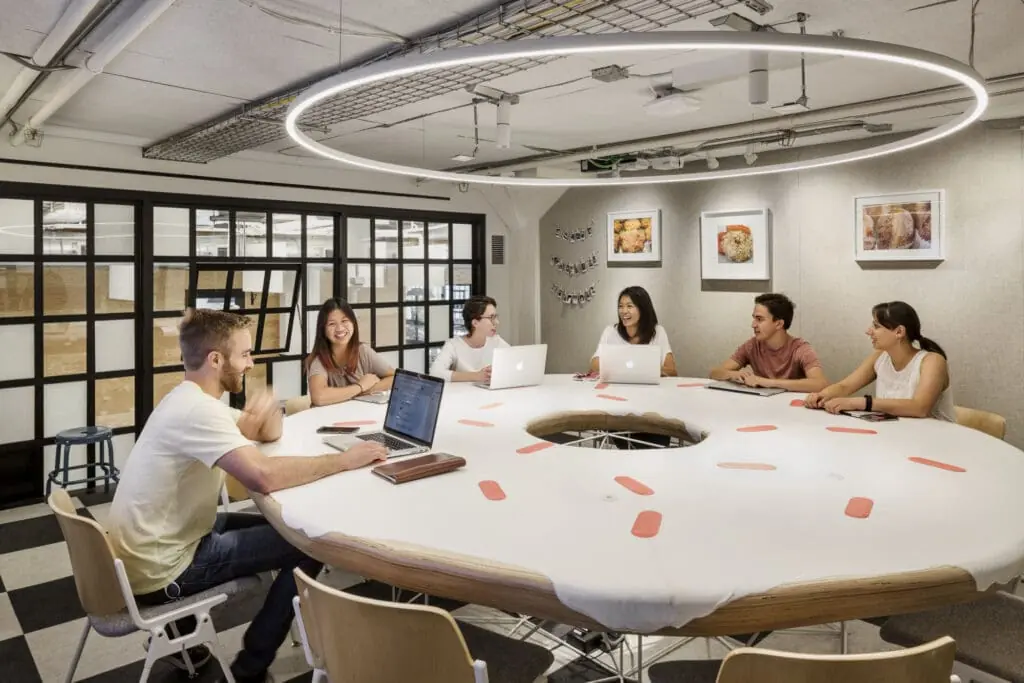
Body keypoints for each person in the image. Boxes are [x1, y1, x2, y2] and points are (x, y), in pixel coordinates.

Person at [106, 308, 387, 683]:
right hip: (166, 567)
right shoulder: (200, 412)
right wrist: (345, 461)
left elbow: (263, 433)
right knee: (307, 543)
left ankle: (189, 637)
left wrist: (266, 412)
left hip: (155, 545)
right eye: (244, 354)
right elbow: (264, 476)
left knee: (283, 528)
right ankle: (250, 667)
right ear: (216, 359)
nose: (250, 364)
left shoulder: (188, 399)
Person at [804, 301, 955, 420]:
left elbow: (920, 407)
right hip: (897, 436)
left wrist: (860, 403)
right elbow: (845, 386)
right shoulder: (880, 356)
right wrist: (822, 395)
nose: (868, 331)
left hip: (935, 442)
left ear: (899, 332)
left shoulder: (932, 361)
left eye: (876, 326)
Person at [710, 293, 828, 393]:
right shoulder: (752, 345)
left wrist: (767, 382)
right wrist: (733, 375)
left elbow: (820, 384)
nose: (753, 325)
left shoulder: (800, 349)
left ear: (779, 324)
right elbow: (715, 372)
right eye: (754, 318)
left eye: (760, 319)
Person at [307, 297, 395, 406]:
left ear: (353, 323)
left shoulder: (363, 351)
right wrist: (360, 387)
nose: (340, 328)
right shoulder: (319, 360)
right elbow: (319, 397)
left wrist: (365, 390)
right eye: (332, 324)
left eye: (344, 321)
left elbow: (394, 378)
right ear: (323, 330)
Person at [590, 285, 676, 377]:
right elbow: (594, 364)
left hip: (648, 389)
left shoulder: (658, 332)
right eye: (621, 306)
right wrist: (622, 369)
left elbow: (672, 371)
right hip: (616, 388)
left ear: (643, 309)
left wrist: (647, 369)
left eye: (629, 306)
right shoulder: (610, 331)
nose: (624, 311)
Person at [429, 294, 509, 382]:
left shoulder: (496, 342)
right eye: (491, 318)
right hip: (462, 394)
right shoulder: (453, 345)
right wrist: (477, 376)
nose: (497, 322)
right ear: (475, 323)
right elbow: (435, 373)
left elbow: (515, 363)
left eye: (496, 317)